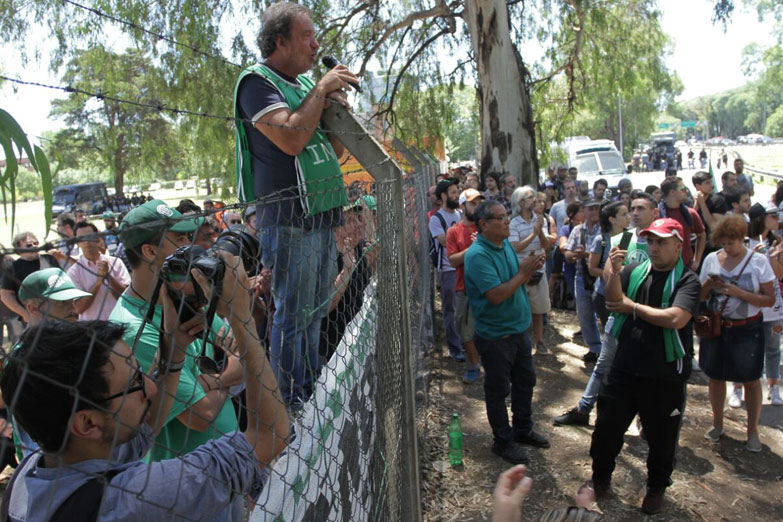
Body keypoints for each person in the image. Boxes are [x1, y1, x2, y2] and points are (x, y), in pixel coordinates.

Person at [0, 255, 291, 520]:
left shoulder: (32, 475)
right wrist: (242, 316)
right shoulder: (136, 498)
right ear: (87, 422)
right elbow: (269, 436)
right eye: (133, 384)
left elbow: (145, 428)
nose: (150, 389)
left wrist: (174, 353)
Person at [233, 2, 358, 408]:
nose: (315, 44)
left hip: (320, 215)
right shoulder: (257, 83)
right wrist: (321, 90)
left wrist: (333, 106)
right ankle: (292, 402)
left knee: (316, 312)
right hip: (288, 219)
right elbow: (290, 139)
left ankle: (309, 389)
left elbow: (333, 151)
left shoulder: (306, 88)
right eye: (307, 36)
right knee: (293, 315)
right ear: (280, 40)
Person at [109, 200, 244, 476]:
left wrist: (211, 382)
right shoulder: (134, 329)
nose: (190, 245)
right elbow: (201, 415)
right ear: (149, 251)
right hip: (187, 479)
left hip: (223, 461)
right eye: (180, 239)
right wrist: (227, 375)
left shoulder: (183, 294)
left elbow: (245, 354)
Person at [583, 218, 701, 514]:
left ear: (678, 245)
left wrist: (632, 307)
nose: (655, 247)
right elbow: (613, 301)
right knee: (607, 428)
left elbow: (676, 318)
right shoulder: (636, 271)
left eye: (662, 242)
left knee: (661, 437)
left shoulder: (687, 280)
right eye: (651, 241)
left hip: (664, 374)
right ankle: (600, 478)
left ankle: (656, 488)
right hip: (625, 366)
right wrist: (614, 272)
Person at [554, 193, 657, 427]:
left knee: (643, 367)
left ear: (654, 213)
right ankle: (584, 409)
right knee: (604, 363)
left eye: (642, 208)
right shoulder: (623, 238)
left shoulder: (661, 240)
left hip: (648, 314)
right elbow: (607, 274)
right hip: (620, 312)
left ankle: (644, 418)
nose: (635, 213)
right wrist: (615, 273)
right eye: (633, 208)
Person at [465, 200, 549, 465]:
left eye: (506, 216)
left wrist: (528, 267)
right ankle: (503, 441)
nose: (507, 221)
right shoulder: (478, 256)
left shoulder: (504, 247)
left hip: (517, 331)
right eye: (500, 218)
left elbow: (514, 277)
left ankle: (522, 429)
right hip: (496, 336)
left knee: (526, 382)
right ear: (484, 224)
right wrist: (523, 274)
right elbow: (497, 295)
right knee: (498, 390)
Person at [699, 215, 775, 453]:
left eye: (731, 243)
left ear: (742, 239)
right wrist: (709, 287)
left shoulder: (759, 261)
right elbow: (700, 296)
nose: (727, 248)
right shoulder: (712, 259)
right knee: (715, 376)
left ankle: (752, 431)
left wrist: (737, 292)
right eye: (723, 244)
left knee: (751, 379)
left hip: (747, 329)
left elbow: (769, 299)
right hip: (718, 328)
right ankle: (717, 423)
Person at [447, 188, 485, 384]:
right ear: (462, 206)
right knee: (465, 330)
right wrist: (473, 249)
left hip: (487, 288)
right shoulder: (454, 231)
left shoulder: (485, 227)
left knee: (487, 329)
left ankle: (483, 363)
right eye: (472, 203)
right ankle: (474, 364)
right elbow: (453, 260)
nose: (477, 207)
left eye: (479, 203)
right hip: (464, 288)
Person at [509, 186, 554, 354]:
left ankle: (540, 341)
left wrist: (540, 232)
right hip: (520, 273)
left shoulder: (539, 219)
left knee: (539, 308)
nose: (534, 200)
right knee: (520, 309)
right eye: (530, 197)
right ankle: (521, 342)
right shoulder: (513, 223)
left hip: (539, 271)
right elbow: (515, 248)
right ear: (520, 202)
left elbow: (546, 245)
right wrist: (534, 233)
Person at [746, 203, 783, 406]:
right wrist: (755, 256)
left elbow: (779, 275)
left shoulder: (776, 241)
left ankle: (774, 388)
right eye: (773, 215)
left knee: (773, 347)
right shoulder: (745, 242)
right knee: (747, 346)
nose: (777, 219)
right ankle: (739, 387)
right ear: (761, 218)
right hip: (750, 303)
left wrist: (774, 257)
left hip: (774, 306)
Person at [564, 199, 603, 362]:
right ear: (584, 211)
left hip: (602, 277)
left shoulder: (606, 229)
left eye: (596, 208)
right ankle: (595, 348)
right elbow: (567, 253)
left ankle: (611, 349)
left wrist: (586, 254)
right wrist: (573, 255)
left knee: (608, 314)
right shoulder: (577, 230)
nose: (594, 212)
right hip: (582, 277)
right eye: (590, 209)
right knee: (585, 314)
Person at [430, 178, 465, 362]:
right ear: (443, 196)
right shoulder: (437, 219)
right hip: (448, 270)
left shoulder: (460, 215)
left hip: (464, 267)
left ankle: (467, 342)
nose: (456, 195)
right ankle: (454, 347)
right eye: (452, 192)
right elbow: (446, 242)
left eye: (457, 192)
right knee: (450, 309)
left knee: (465, 307)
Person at [0, 233, 59, 340]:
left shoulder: (50, 259)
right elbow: (5, 295)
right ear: (18, 250)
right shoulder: (12, 267)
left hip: (57, 314)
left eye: (36, 243)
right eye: (28, 245)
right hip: (33, 318)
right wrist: (25, 314)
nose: (34, 246)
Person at [67, 222, 131, 321]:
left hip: (120, 323)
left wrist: (108, 277)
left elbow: (128, 297)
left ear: (97, 238)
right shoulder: (74, 272)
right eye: (82, 238)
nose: (87, 241)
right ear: (77, 243)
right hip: (93, 329)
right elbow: (78, 308)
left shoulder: (115, 262)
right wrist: (98, 283)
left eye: (90, 236)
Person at [588, 201, 630, 328]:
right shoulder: (601, 240)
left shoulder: (630, 237)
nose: (629, 217)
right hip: (604, 294)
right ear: (612, 219)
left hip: (626, 295)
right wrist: (614, 274)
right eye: (624, 214)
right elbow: (592, 269)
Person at [658, 177, 706, 271]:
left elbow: (701, 235)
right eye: (683, 189)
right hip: (662, 268)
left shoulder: (690, 213)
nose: (686, 191)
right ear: (672, 192)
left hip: (686, 267)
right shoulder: (656, 214)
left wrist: (697, 260)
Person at [549, 202, 583, 310]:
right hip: (569, 263)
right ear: (573, 214)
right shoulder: (566, 228)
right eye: (581, 211)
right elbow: (563, 245)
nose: (584, 213)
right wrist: (569, 250)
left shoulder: (590, 228)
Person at [692, 171, 728, 257]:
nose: (711, 185)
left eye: (711, 182)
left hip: (712, 248)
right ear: (698, 186)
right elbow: (689, 222)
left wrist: (703, 204)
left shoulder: (718, 200)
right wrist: (696, 204)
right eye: (707, 183)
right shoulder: (689, 200)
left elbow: (714, 227)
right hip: (694, 246)